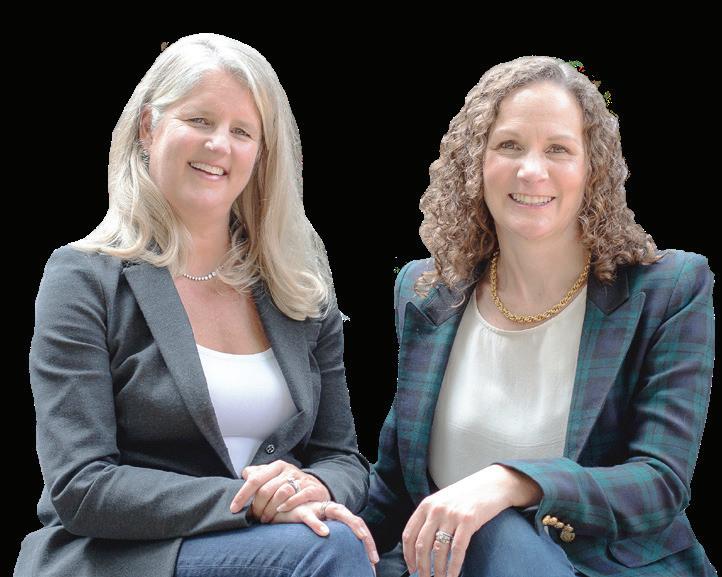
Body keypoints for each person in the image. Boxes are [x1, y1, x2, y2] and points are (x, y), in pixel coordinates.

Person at [14, 33, 377, 577]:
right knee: (330, 550)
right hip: (130, 558)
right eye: (200, 120)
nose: (219, 145)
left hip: (282, 547)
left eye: (242, 131)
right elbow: (81, 485)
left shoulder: (298, 290)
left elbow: (343, 457)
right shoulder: (83, 278)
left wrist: (314, 485)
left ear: (261, 154)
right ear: (148, 127)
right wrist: (250, 503)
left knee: (354, 547)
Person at [360, 56, 716, 577]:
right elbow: (395, 487)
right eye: (509, 145)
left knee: (501, 530)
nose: (531, 170)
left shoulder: (669, 288)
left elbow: (659, 480)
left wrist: (512, 482)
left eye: (558, 149)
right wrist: (319, 514)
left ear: (592, 169)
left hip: (597, 568)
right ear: (475, 162)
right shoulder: (425, 291)